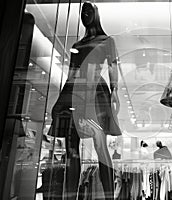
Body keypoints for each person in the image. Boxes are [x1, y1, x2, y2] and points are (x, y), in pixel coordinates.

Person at [48, 2, 121, 199]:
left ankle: (109, 196)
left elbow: (113, 66)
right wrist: (61, 100)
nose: (85, 15)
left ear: (96, 14)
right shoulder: (76, 45)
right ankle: (70, 196)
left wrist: (115, 91)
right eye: (83, 12)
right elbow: (71, 74)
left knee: (100, 146)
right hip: (75, 91)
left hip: (96, 91)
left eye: (89, 11)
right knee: (71, 148)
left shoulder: (107, 41)